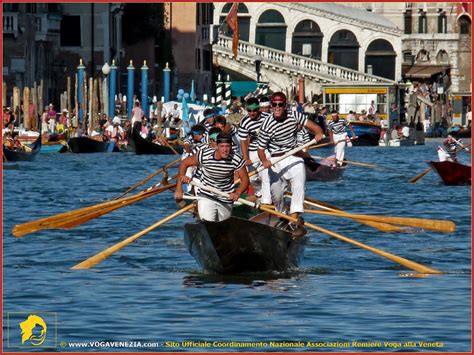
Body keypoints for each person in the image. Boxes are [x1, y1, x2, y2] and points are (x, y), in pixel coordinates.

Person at [257, 92, 325, 235]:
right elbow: (261, 150)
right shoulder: (266, 124)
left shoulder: (295, 115)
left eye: (280, 104)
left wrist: (319, 134)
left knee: (299, 182)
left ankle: (294, 219)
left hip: (294, 156)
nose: (277, 107)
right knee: (277, 195)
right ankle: (283, 215)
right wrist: (264, 161)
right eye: (274, 105)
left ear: (285, 105)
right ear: (271, 106)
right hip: (275, 160)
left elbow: (316, 128)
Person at [175, 132, 249, 222]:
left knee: (223, 226)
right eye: (222, 146)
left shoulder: (236, 159)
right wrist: (179, 188)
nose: (225, 150)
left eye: (227, 146)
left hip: (226, 197)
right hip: (206, 195)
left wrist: (237, 193)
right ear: (217, 146)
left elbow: (245, 179)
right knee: (208, 223)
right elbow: (184, 163)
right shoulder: (204, 155)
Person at [238, 97, 270, 197]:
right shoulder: (244, 122)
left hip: (267, 149)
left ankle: (267, 196)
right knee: (251, 178)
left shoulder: (268, 118)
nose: (252, 113)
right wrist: (246, 158)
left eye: (254, 110)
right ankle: (259, 192)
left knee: (265, 175)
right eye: (249, 111)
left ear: (259, 109)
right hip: (253, 151)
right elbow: (243, 142)